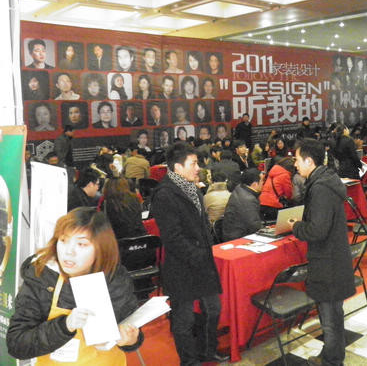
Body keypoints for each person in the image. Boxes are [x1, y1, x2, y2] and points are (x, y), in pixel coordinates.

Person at [7, 208, 143, 363]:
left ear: (101, 248)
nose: (69, 252)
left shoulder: (115, 279)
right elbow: (17, 344)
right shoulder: (43, 278)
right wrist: (65, 326)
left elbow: (132, 328)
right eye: (63, 240)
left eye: (81, 244)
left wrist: (130, 339)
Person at [152, 143, 227, 364]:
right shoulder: (164, 194)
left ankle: (208, 350)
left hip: (202, 261)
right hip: (181, 266)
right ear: (178, 167)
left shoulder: (193, 188)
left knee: (213, 309)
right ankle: (189, 361)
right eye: (193, 163)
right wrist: (196, 255)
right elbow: (172, 237)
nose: (198, 168)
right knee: (183, 320)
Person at [284, 139, 355, 366]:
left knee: (330, 317)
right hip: (333, 256)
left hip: (328, 261)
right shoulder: (326, 180)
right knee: (333, 314)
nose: (295, 164)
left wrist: (296, 226)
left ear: (309, 161)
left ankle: (332, 360)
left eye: (297, 159)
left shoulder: (320, 188)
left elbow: (317, 230)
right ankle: (331, 355)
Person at [222, 168, 264, 241]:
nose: (263, 183)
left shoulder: (240, 188)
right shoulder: (248, 199)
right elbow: (254, 226)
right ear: (255, 184)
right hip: (238, 237)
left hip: (234, 233)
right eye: (262, 180)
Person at [259, 157, 295, 221]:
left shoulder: (273, 172)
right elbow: (288, 193)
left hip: (262, 202)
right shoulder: (285, 175)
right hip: (273, 204)